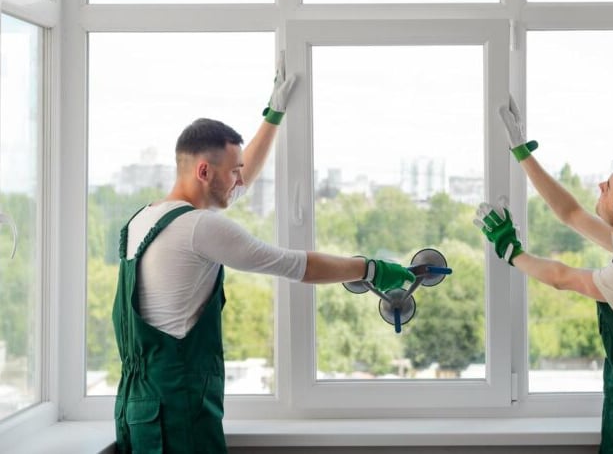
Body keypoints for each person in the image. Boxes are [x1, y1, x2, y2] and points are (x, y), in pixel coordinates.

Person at [112, 60, 415, 454]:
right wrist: (371, 268)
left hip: (137, 414)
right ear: (204, 171)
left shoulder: (143, 220)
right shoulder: (201, 228)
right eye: (234, 171)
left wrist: (273, 115)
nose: (241, 181)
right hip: (179, 419)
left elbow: (237, 182)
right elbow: (296, 265)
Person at [474, 95, 613, 454]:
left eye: (609, 188)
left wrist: (511, 252)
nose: (600, 187)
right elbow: (572, 213)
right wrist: (522, 154)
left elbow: (563, 277)